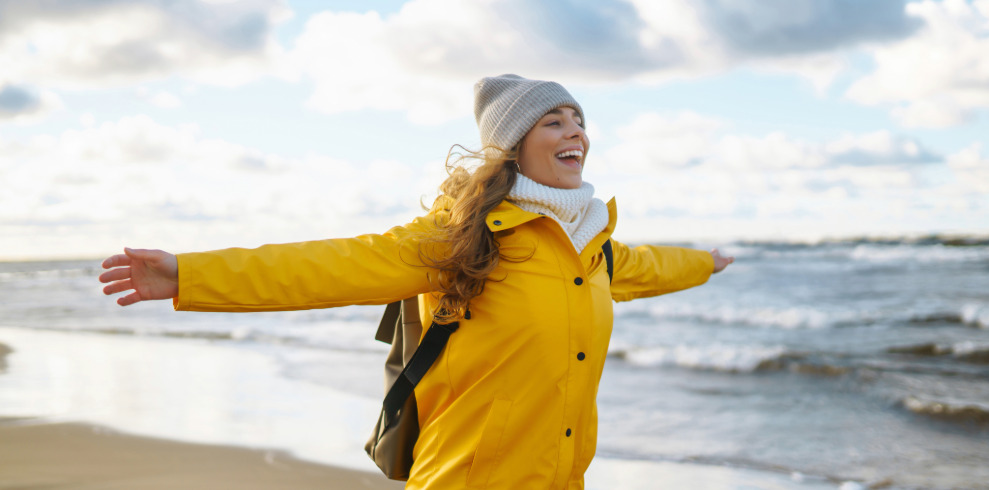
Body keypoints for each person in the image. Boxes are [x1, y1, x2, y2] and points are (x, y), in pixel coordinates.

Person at [100, 74, 734, 489]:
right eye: (554, 121)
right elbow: (331, 266)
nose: (576, 131)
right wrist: (189, 275)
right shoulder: (462, 239)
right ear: (513, 147)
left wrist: (705, 261)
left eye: (578, 119)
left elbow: (652, 266)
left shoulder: (592, 252)